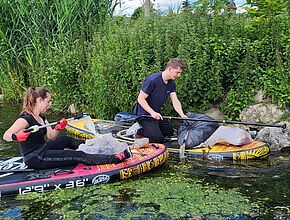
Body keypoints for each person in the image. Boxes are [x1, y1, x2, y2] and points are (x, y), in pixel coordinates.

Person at [3, 87, 131, 169]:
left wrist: (58, 128)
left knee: (66, 139)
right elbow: (6, 135)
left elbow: (51, 137)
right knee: (77, 155)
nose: (50, 104)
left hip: (43, 148)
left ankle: (98, 148)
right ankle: (115, 158)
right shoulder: (25, 119)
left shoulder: (41, 116)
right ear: (39, 100)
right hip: (35, 157)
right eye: (48, 101)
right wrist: (16, 136)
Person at [133, 58, 187, 143]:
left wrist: (182, 115)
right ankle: (138, 131)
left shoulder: (171, 83)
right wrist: (152, 113)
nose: (179, 75)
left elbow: (175, 100)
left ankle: (152, 129)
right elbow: (140, 99)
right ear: (170, 69)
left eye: (180, 73)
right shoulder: (152, 80)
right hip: (144, 115)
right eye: (177, 72)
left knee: (169, 132)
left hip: (156, 113)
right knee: (158, 138)